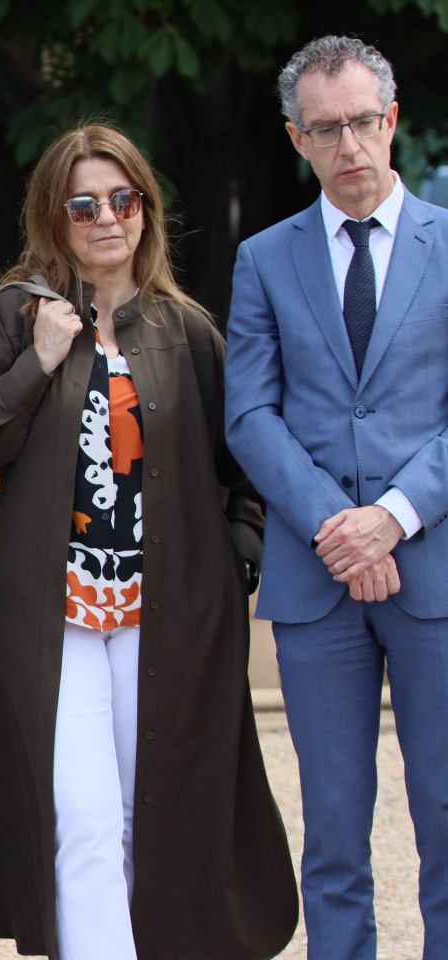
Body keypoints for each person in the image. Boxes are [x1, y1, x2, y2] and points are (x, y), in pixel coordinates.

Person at [0, 122, 297, 959]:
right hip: (55, 616)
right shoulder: (18, 315)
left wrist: (236, 557)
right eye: (84, 203)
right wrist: (36, 364)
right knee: (82, 816)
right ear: (53, 216)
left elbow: (244, 468)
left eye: (123, 199)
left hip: (170, 615)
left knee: (160, 817)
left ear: (147, 209)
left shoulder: (190, 332)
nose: (107, 218)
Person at [227, 36, 448, 960]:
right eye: (328, 129)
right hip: (316, 579)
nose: (350, 143)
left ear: (392, 120)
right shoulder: (265, 259)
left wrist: (391, 517)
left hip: (435, 567)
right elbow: (249, 413)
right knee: (332, 829)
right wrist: (336, 526)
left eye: (363, 122)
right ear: (297, 138)